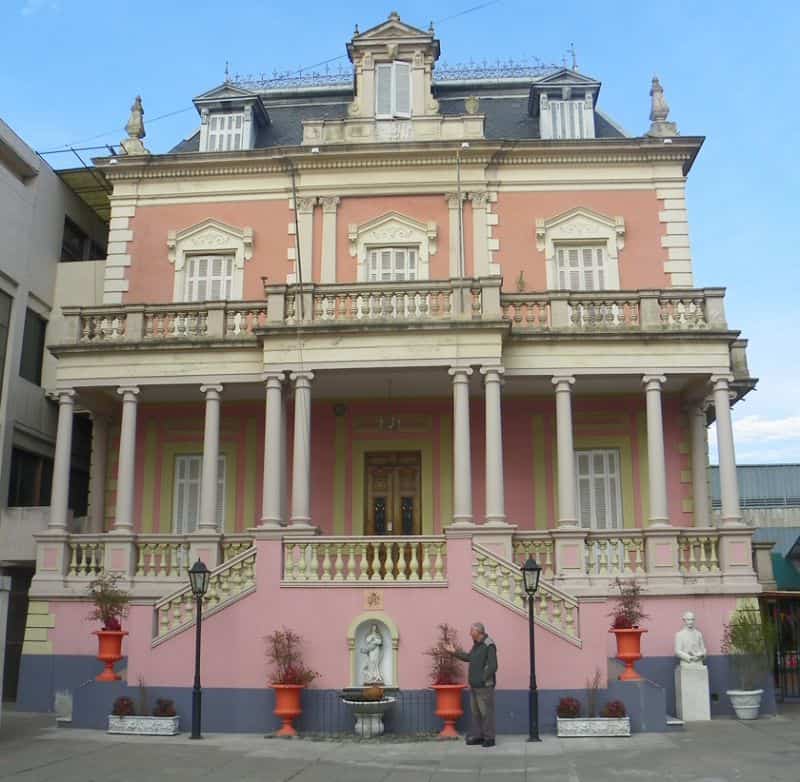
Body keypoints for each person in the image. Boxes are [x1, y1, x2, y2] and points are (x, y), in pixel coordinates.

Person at [445, 622, 498, 747]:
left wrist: (482, 679)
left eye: (471, 631)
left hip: (484, 686)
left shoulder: (488, 645)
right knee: (476, 713)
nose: (469, 634)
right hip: (474, 686)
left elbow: (493, 666)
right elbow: (469, 657)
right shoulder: (477, 645)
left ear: (478, 632)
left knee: (486, 713)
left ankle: (489, 738)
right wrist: (454, 652)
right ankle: (479, 736)